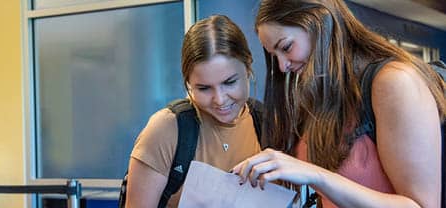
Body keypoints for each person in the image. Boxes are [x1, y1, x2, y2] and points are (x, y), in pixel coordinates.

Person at [232, 0, 445, 207]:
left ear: (318, 22)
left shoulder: (394, 81)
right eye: (274, 56)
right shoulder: (319, 97)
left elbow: (420, 205)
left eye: (286, 47)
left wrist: (315, 175)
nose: (282, 66)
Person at [126, 15, 262, 207]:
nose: (220, 100)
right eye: (204, 88)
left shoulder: (268, 123)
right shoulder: (166, 129)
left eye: (229, 82)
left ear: (248, 68)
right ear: (188, 83)